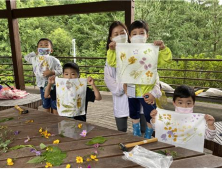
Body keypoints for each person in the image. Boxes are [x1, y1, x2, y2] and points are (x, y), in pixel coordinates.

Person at [106, 20, 172, 138]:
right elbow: (112, 62)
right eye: (134, 34)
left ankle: (148, 133)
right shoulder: (124, 52)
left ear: (147, 35)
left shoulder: (150, 50)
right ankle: (135, 131)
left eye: (141, 33)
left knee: (149, 114)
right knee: (133, 112)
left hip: (146, 90)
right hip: (131, 91)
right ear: (130, 36)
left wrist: (163, 49)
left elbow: (165, 60)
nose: (138, 36)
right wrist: (111, 51)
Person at [104, 21, 148, 133]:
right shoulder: (111, 57)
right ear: (111, 38)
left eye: (122, 33)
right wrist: (123, 86)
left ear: (127, 34)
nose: (120, 36)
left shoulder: (136, 51)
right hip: (121, 98)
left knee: (143, 128)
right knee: (121, 130)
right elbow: (109, 80)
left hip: (140, 95)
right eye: (116, 34)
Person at [150, 85, 217, 141]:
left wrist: (210, 125)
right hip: (171, 151)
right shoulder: (169, 119)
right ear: (174, 103)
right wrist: (154, 118)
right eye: (180, 103)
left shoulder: (197, 122)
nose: (184, 106)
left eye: (188, 103)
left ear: (193, 104)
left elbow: (209, 138)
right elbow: (157, 129)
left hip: (191, 153)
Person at [24, 38, 62, 114]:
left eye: (46, 45)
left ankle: (55, 119)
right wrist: (35, 53)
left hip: (54, 86)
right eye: (41, 45)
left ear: (51, 50)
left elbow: (60, 70)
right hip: (42, 85)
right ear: (38, 49)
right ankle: (47, 119)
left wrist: (52, 72)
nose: (43, 47)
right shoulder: (34, 59)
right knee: (45, 104)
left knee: (55, 104)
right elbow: (26, 57)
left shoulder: (53, 60)